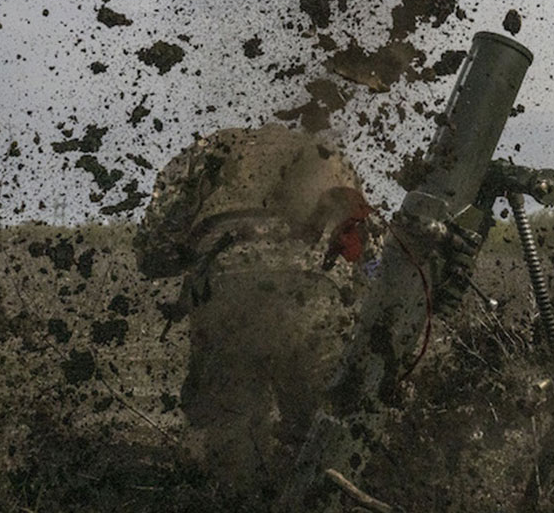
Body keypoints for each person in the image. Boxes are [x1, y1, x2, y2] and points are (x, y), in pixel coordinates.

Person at [133, 122, 374, 499]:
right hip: (316, 292)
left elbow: (153, 248)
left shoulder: (208, 150)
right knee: (327, 424)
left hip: (228, 285)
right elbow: (368, 255)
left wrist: (192, 256)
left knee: (230, 428)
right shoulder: (327, 155)